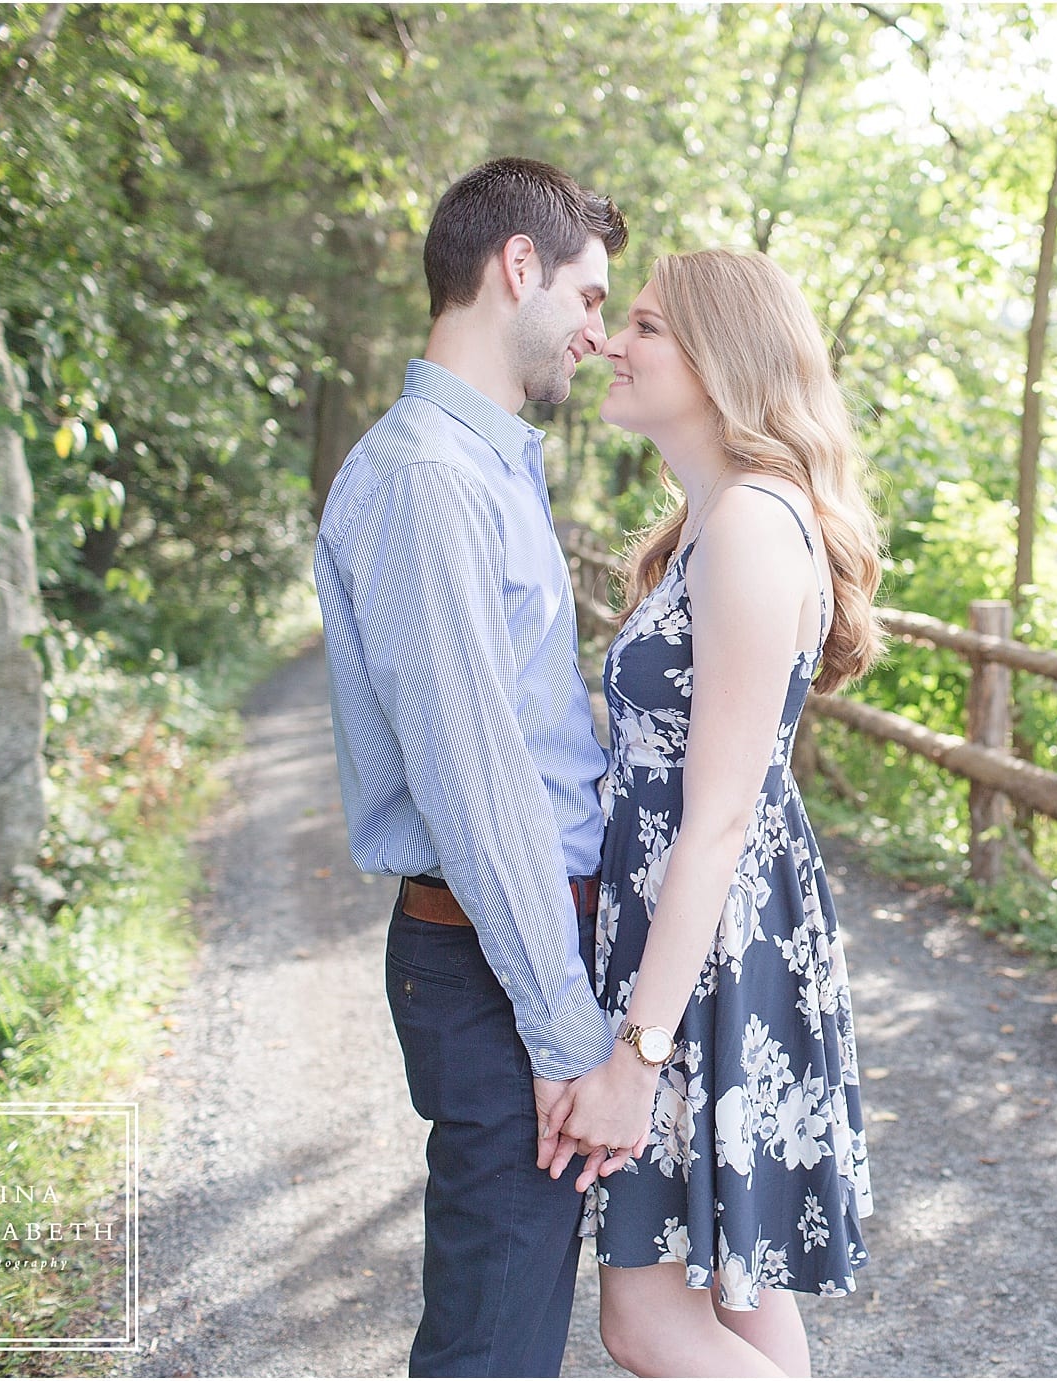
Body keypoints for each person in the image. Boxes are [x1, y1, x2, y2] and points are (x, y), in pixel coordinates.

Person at [313, 156, 625, 1377]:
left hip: (523, 957)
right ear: (516, 268)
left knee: (514, 1334)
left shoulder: (486, 465)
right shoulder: (428, 480)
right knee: (489, 1350)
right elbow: (480, 790)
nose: (597, 335)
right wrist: (563, 1034)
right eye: (591, 298)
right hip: (501, 968)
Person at [551, 249, 883, 1377]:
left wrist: (635, 1056)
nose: (607, 340)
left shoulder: (747, 524)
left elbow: (720, 822)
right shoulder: (710, 522)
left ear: (719, 359)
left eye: (641, 326)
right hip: (697, 936)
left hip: (703, 951)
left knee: (644, 1317)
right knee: (739, 1299)